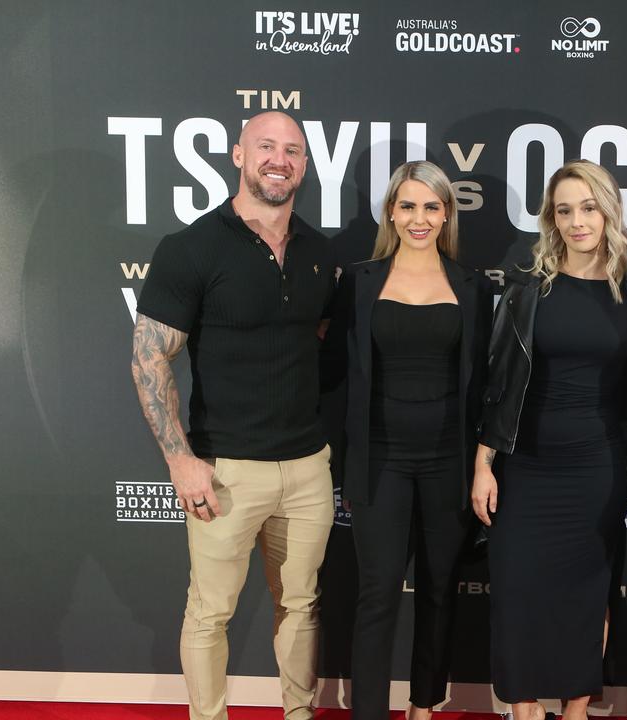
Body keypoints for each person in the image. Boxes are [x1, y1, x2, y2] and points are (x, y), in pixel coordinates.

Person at [130, 111, 335, 720]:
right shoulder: (190, 248)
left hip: (307, 469)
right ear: (239, 155)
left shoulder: (320, 252)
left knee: (301, 604)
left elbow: (313, 340)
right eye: (266, 146)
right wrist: (178, 459)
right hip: (223, 471)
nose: (280, 159)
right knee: (209, 612)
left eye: (293, 150)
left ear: (304, 164)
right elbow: (148, 359)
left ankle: (298, 714)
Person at [471, 160, 627, 720]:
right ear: (552, 218)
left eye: (588, 208)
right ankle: (523, 712)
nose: (577, 222)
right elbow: (497, 382)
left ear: (608, 211)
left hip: (598, 467)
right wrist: (483, 464)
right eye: (564, 210)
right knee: (518, 594)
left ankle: (574, 713)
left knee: (585, 597)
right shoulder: (528, 287)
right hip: (525, 466)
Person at [321, 161, 491, 720]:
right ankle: (367, 712)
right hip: (380, 463)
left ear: (447, 214)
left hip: (449, 462)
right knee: (377, 595)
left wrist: (481, 467)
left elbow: (484, 385)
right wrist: (343, 466)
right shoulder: (361, 281)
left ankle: (423, 707)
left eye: (432, 207)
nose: (420, 219)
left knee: (441, 592)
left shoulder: (471, 287)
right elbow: (337, 376)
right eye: (409, 206)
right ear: (391, 210)